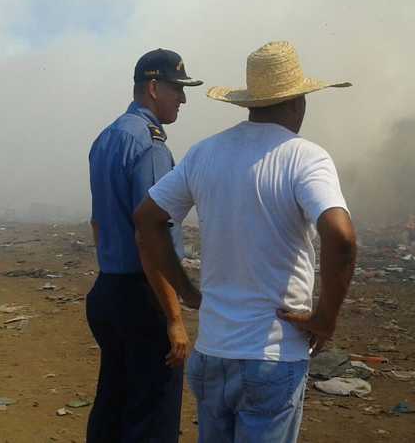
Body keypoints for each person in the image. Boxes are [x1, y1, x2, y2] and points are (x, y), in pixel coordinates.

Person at [134, 41, 357, 443]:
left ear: (251, 103)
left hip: (212, 354)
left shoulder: (205, 153)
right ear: (298, 103)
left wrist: (187, 291)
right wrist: (325, 318)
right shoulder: (305, 157)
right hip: (272, 357)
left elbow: (147, 219)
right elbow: (340, 236)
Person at [86, 48, 203, 442]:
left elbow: (98, 222)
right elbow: (149, 235)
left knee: (113, 405)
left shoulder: (107, 137)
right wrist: (173, 317)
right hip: (142, 297)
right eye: (177, 89)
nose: (183, 99)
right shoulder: (151, 146)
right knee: (152, 417)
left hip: (108, 289)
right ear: (153, 88)